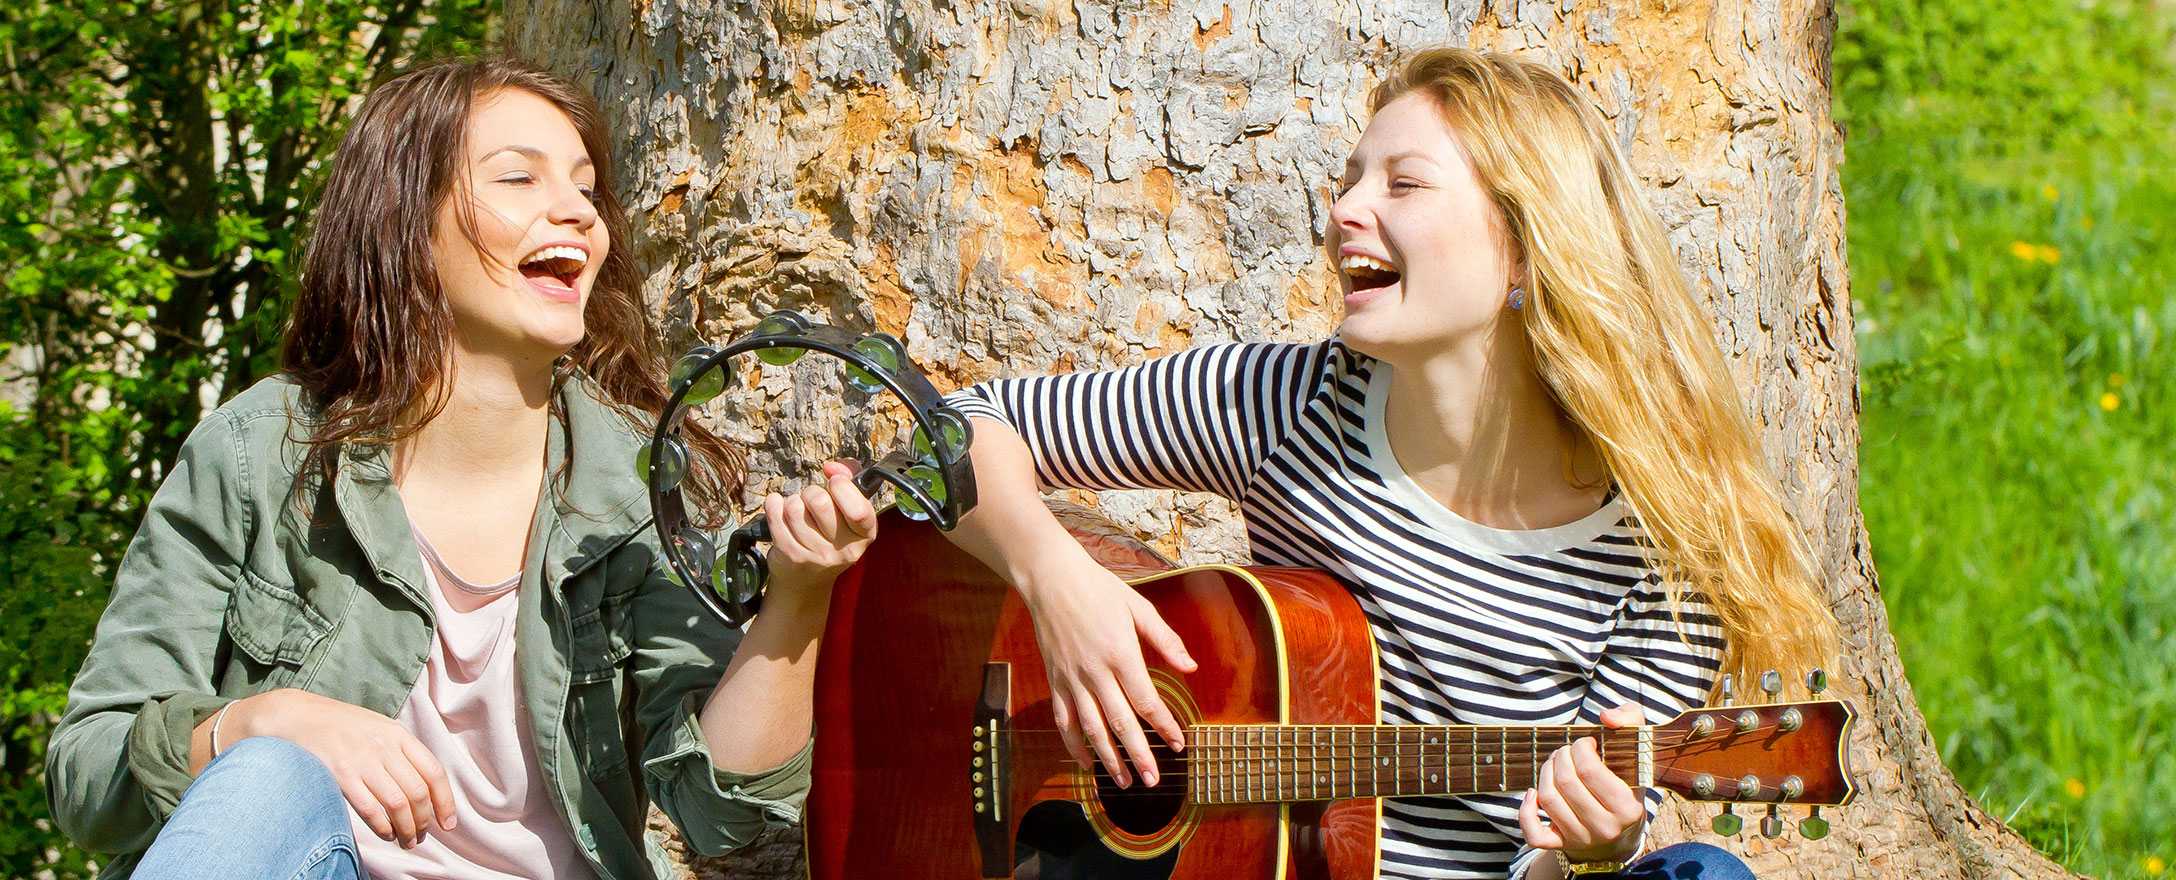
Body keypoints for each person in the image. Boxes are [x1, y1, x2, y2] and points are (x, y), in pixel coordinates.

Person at [941, 47, 1837, 880]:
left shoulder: (1668, 552)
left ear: (1527, 247)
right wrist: (1059, 586)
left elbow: (1551, 857)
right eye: (1349, 181)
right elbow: (958, 431)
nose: (1343, 213)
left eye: (1403, 184)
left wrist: (1592, 851)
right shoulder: (1287, 403)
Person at [45, 56, 875, 880]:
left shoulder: (637, 481)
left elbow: (720, 810)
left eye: (587, 189)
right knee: (268, 777)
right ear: (406, 218)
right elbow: (88, 776)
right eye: (519, 179)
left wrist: (799, 599)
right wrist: (264, 723)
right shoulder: (259, 450)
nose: (577, 213)